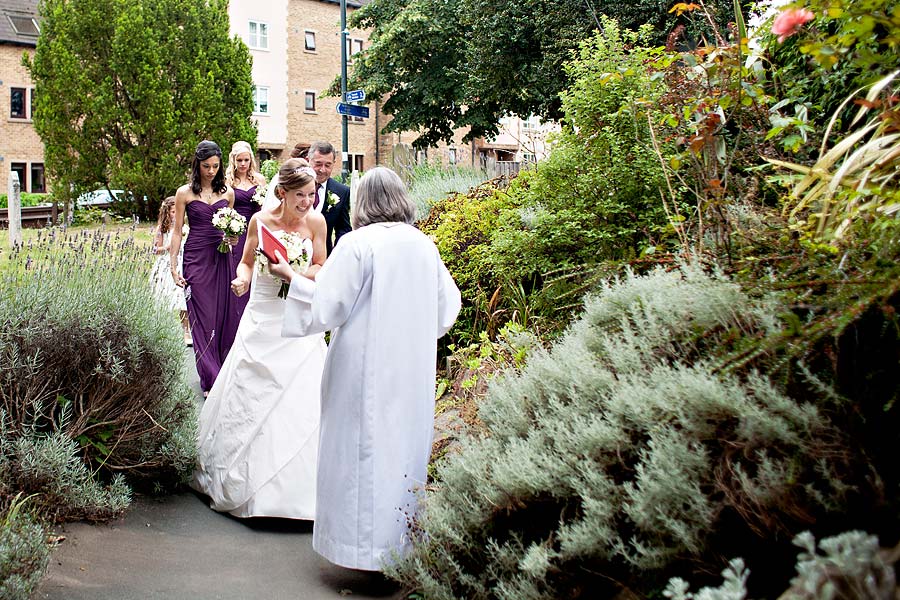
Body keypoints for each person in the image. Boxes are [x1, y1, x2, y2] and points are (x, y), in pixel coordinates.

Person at [269, 166, 461, 570]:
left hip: (362, 368)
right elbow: (447, 309)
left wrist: (292, 280)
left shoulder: (358, 244)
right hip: (411, 370)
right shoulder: (424, 245)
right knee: (403, 454)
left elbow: (329, 305)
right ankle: (402, 547)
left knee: (358, 453)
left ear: (364, 203)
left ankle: (358, 550)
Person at [192, 158, 327, 519]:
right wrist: (244, 278)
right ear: (281, 193)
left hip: (296, 315)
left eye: (312, 195)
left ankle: (303, 491)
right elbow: (247, 261)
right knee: (249, 387)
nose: (307, 203)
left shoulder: (316, 221)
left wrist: (296, 271)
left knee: (302, 394)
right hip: (263, 313)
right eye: (301, 195)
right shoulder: (259, 221)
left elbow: (320, 266)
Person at [170, 140, 237, 395]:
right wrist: (174, 266)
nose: (211, 171)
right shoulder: (184, 193)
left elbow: (233, 229)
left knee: (222, 315)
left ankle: (220, 370)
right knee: (201, 314)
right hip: (196, 257)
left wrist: (233, 238)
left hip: (221, 257)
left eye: (216, 166)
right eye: (206, 166)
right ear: (197, 165)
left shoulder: (227, 193)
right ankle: (210, 376)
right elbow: (177, 232)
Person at [223, 140, 267, 350]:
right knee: (236, 277)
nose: (243, 164)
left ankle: (253, 329)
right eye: (239, 160)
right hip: (236, 235)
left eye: (246, 160)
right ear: (233, 160)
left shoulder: (259, 180)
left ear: (251, 160)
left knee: (254, 278)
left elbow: (266, 208)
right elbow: (224, 209)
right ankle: (233, 329)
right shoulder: (227, 181)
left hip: (255, 233)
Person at [149, 196, 190, 345]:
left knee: (182, 299)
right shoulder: (163, 229)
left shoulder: (184, 227)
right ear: (167, 212)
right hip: (167, 264)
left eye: (178, 211)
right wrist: (166, 247)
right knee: (165, 299)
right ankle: (164, 331)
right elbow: (155, 249)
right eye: (173, 212)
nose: (176, 214)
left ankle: (186, 330)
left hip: (182, 263)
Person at [308, 141, 352, 256]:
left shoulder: (342, 192)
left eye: (327, 165)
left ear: (334, 163)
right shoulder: (295, 188)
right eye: (318, 164)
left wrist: (337, 255)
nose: (322, 170)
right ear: (309, 160)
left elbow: (343, 229)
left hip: (326, 258)